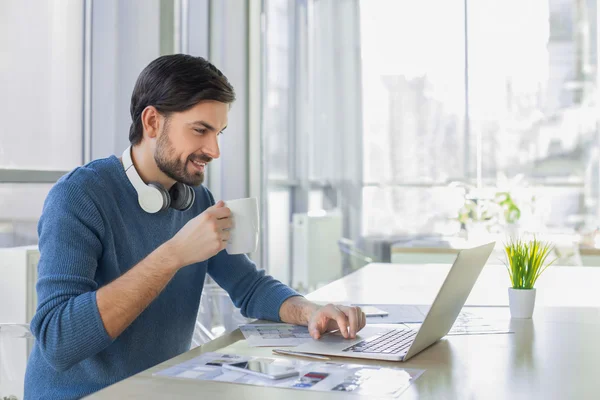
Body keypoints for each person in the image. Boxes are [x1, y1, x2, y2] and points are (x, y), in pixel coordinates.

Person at [24, 54, 366, 399]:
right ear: (153, 122)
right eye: (200, 130)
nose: (214, 150)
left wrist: (311, 311)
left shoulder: (194, 199)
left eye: (218, 133)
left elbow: (248, 285)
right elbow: (58, 341)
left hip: (160, 390)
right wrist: (174, 254)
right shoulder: (79, 196)